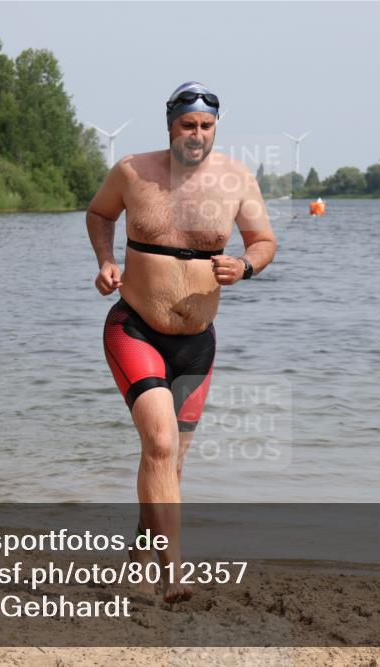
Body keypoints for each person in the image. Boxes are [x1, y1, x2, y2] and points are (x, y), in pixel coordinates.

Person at [86, 82, 277, 602]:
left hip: (197, 343)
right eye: (188, 124)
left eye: (206, 126)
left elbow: (264, 241)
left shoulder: (237, 179)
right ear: (170, 124)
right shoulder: (132, 171)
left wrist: (246, 265)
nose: (197, 134)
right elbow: (100, 214)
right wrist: (106, 260)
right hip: (135, 329)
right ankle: (173, 575)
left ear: (216, 127)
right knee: (160, 444)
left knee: (171, 464)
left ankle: (138, 557)